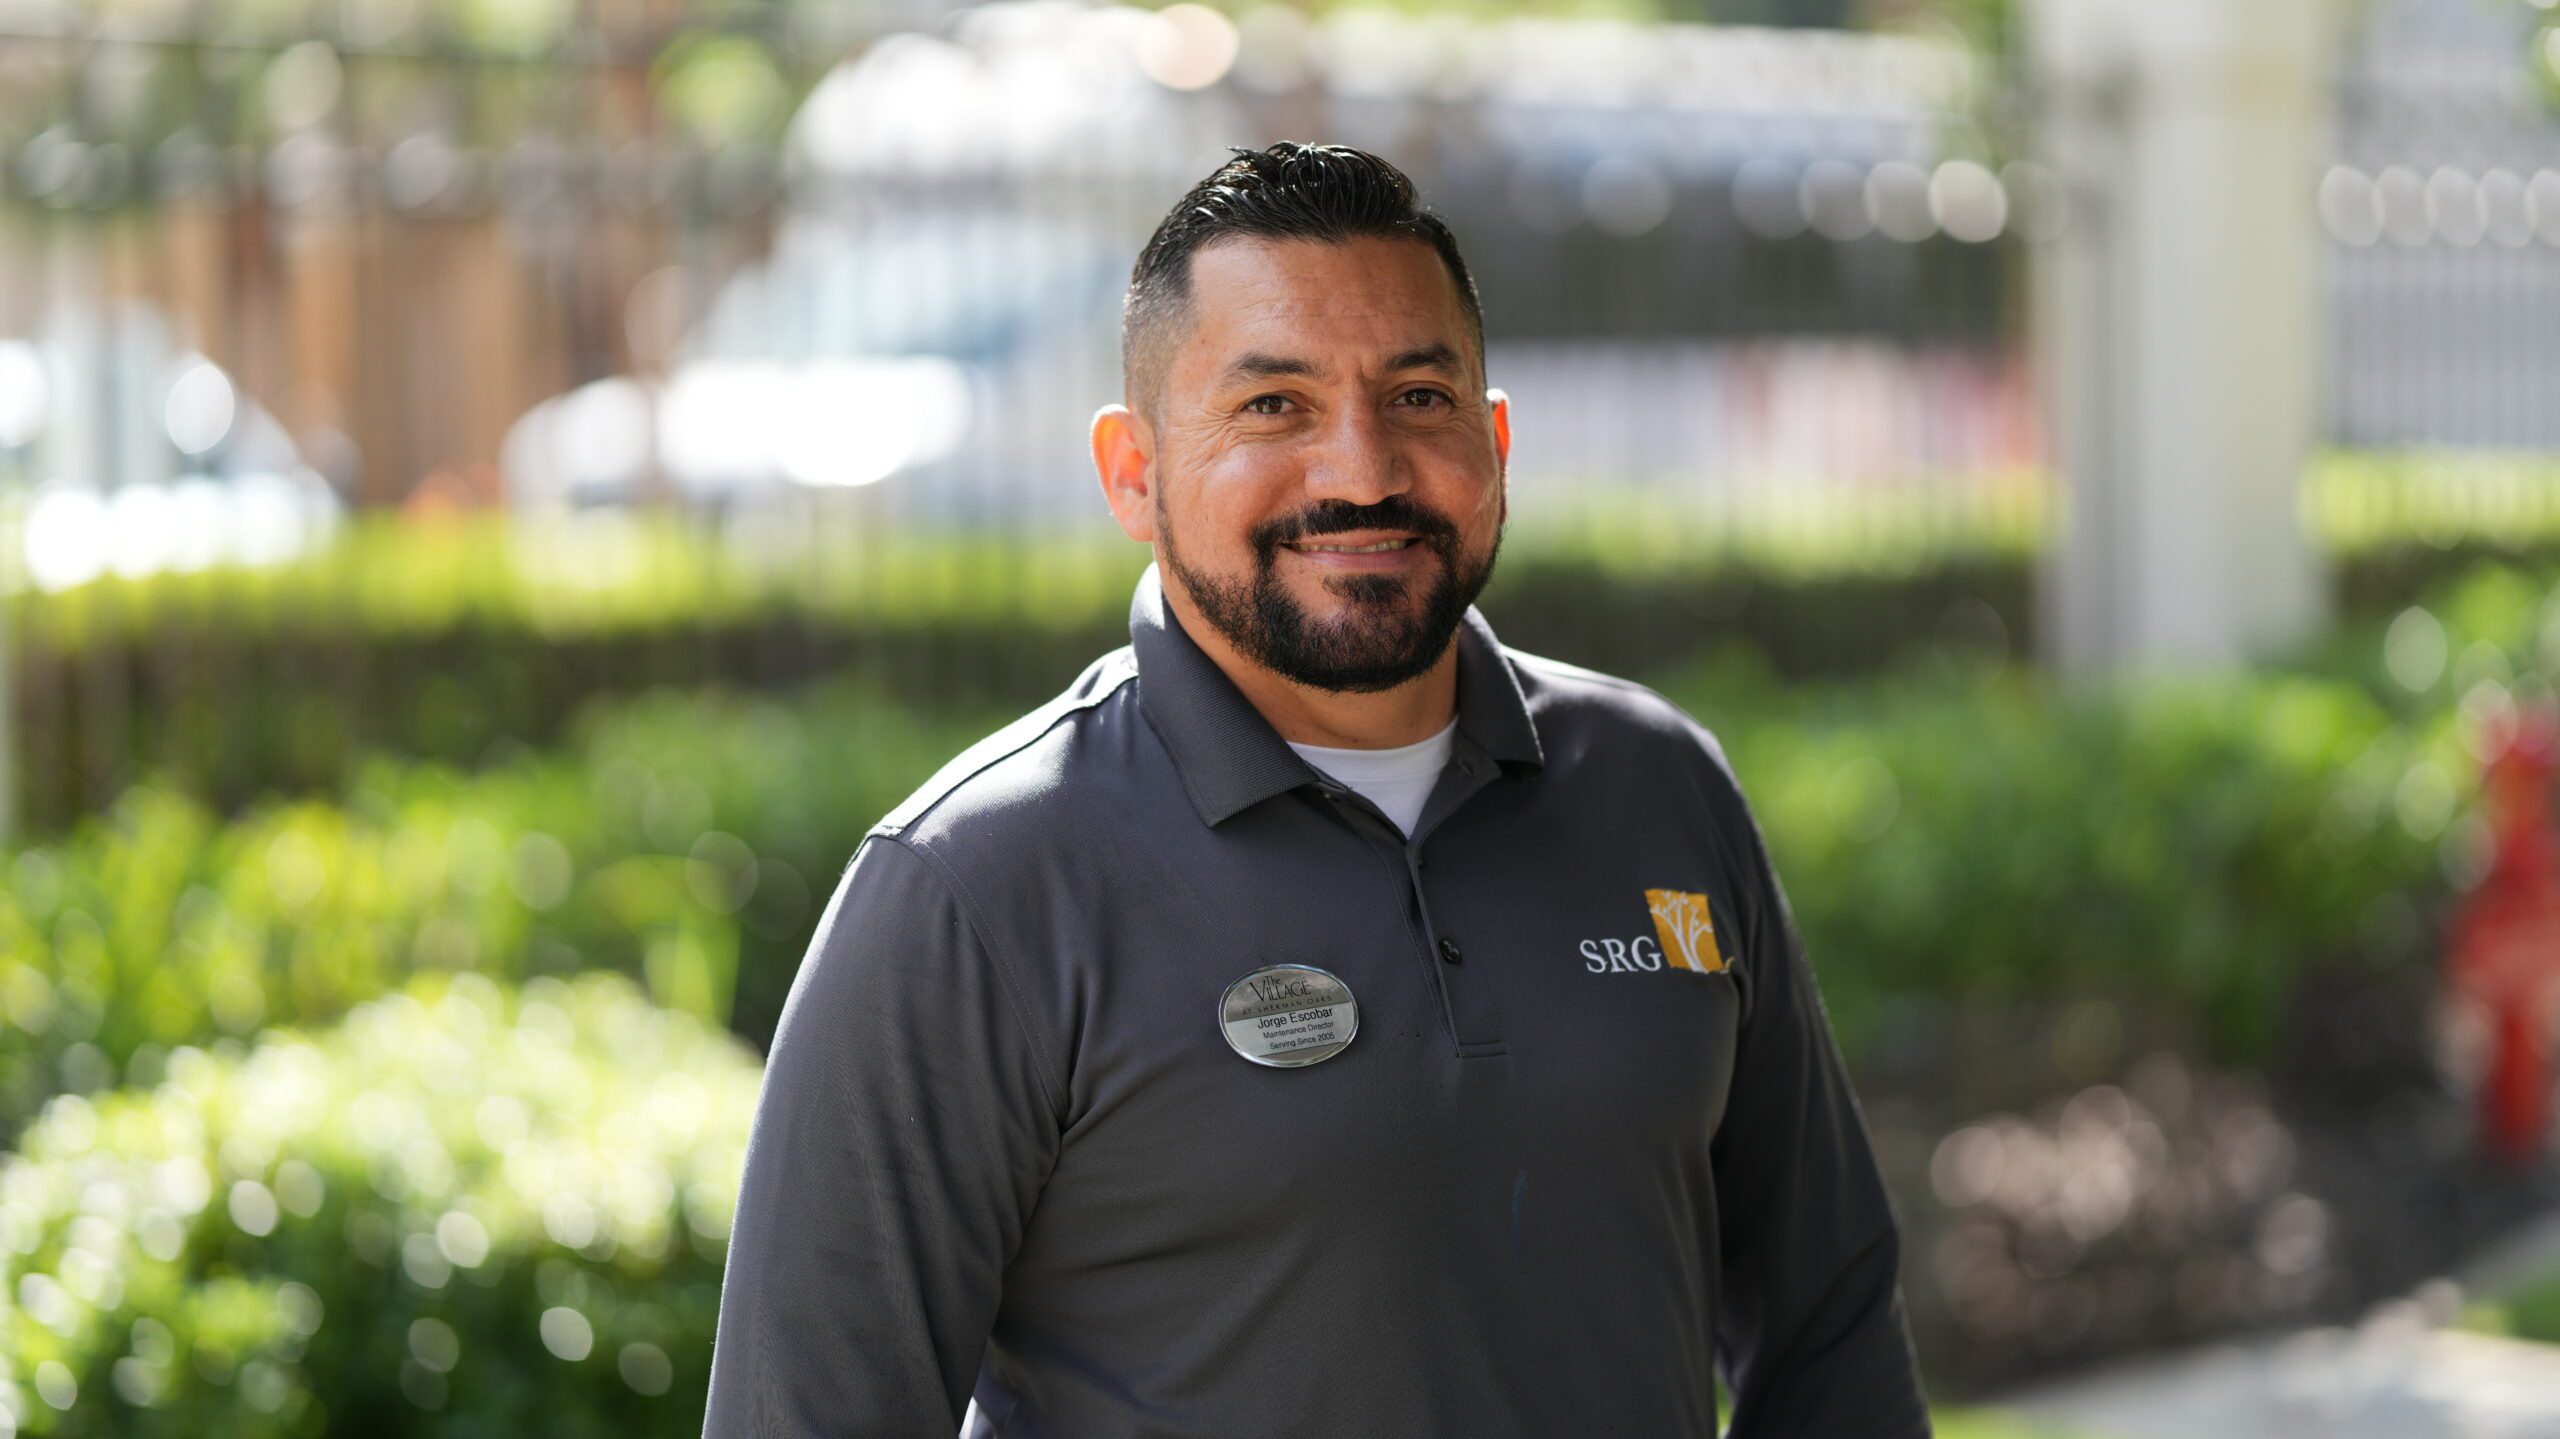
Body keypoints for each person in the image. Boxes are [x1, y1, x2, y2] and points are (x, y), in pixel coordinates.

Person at [701, 142, 1931, 1438]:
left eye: (1418, 396)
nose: (1362, 471)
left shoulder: (1658, 786)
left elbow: (1833, 1337)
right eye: (1274, 405)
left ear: (1495, 441)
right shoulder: (974, 885)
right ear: (1133, 473)